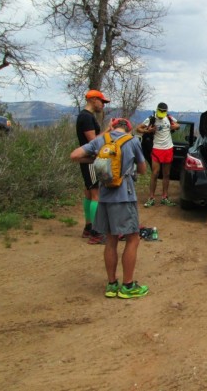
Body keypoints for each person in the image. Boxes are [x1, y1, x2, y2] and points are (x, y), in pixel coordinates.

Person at [70, 118, 149, 299]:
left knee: (111, 240)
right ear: (128, 129)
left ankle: (111, 285)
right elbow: (143, 169)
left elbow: (74, 155)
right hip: (124, 197)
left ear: (113, 127)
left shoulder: (101, 140)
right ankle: (128, 286)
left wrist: (95, 158)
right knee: (133, 239)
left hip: (104, 198)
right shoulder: (132, 141)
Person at [76, 89, 110, 244]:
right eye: (101, 101)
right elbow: (93, 142)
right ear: (93, 100)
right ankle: (96, 232)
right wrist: (108, 131)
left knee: (89, 193)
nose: (102, 105)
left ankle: (88, 227)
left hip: (87, 160)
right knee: (96, 194)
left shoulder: (85, 116)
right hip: (90, 160)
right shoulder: (86, 117)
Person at [136, 102, 180, 207]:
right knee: (155, 173)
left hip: (168, 148)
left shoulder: (169, 118)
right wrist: (148, 130)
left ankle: (165, 197)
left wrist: (175, 127)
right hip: (156, 149)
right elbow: (138, 129)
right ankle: (151, 198)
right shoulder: (151, 118)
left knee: (166, 174)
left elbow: (178, 125)